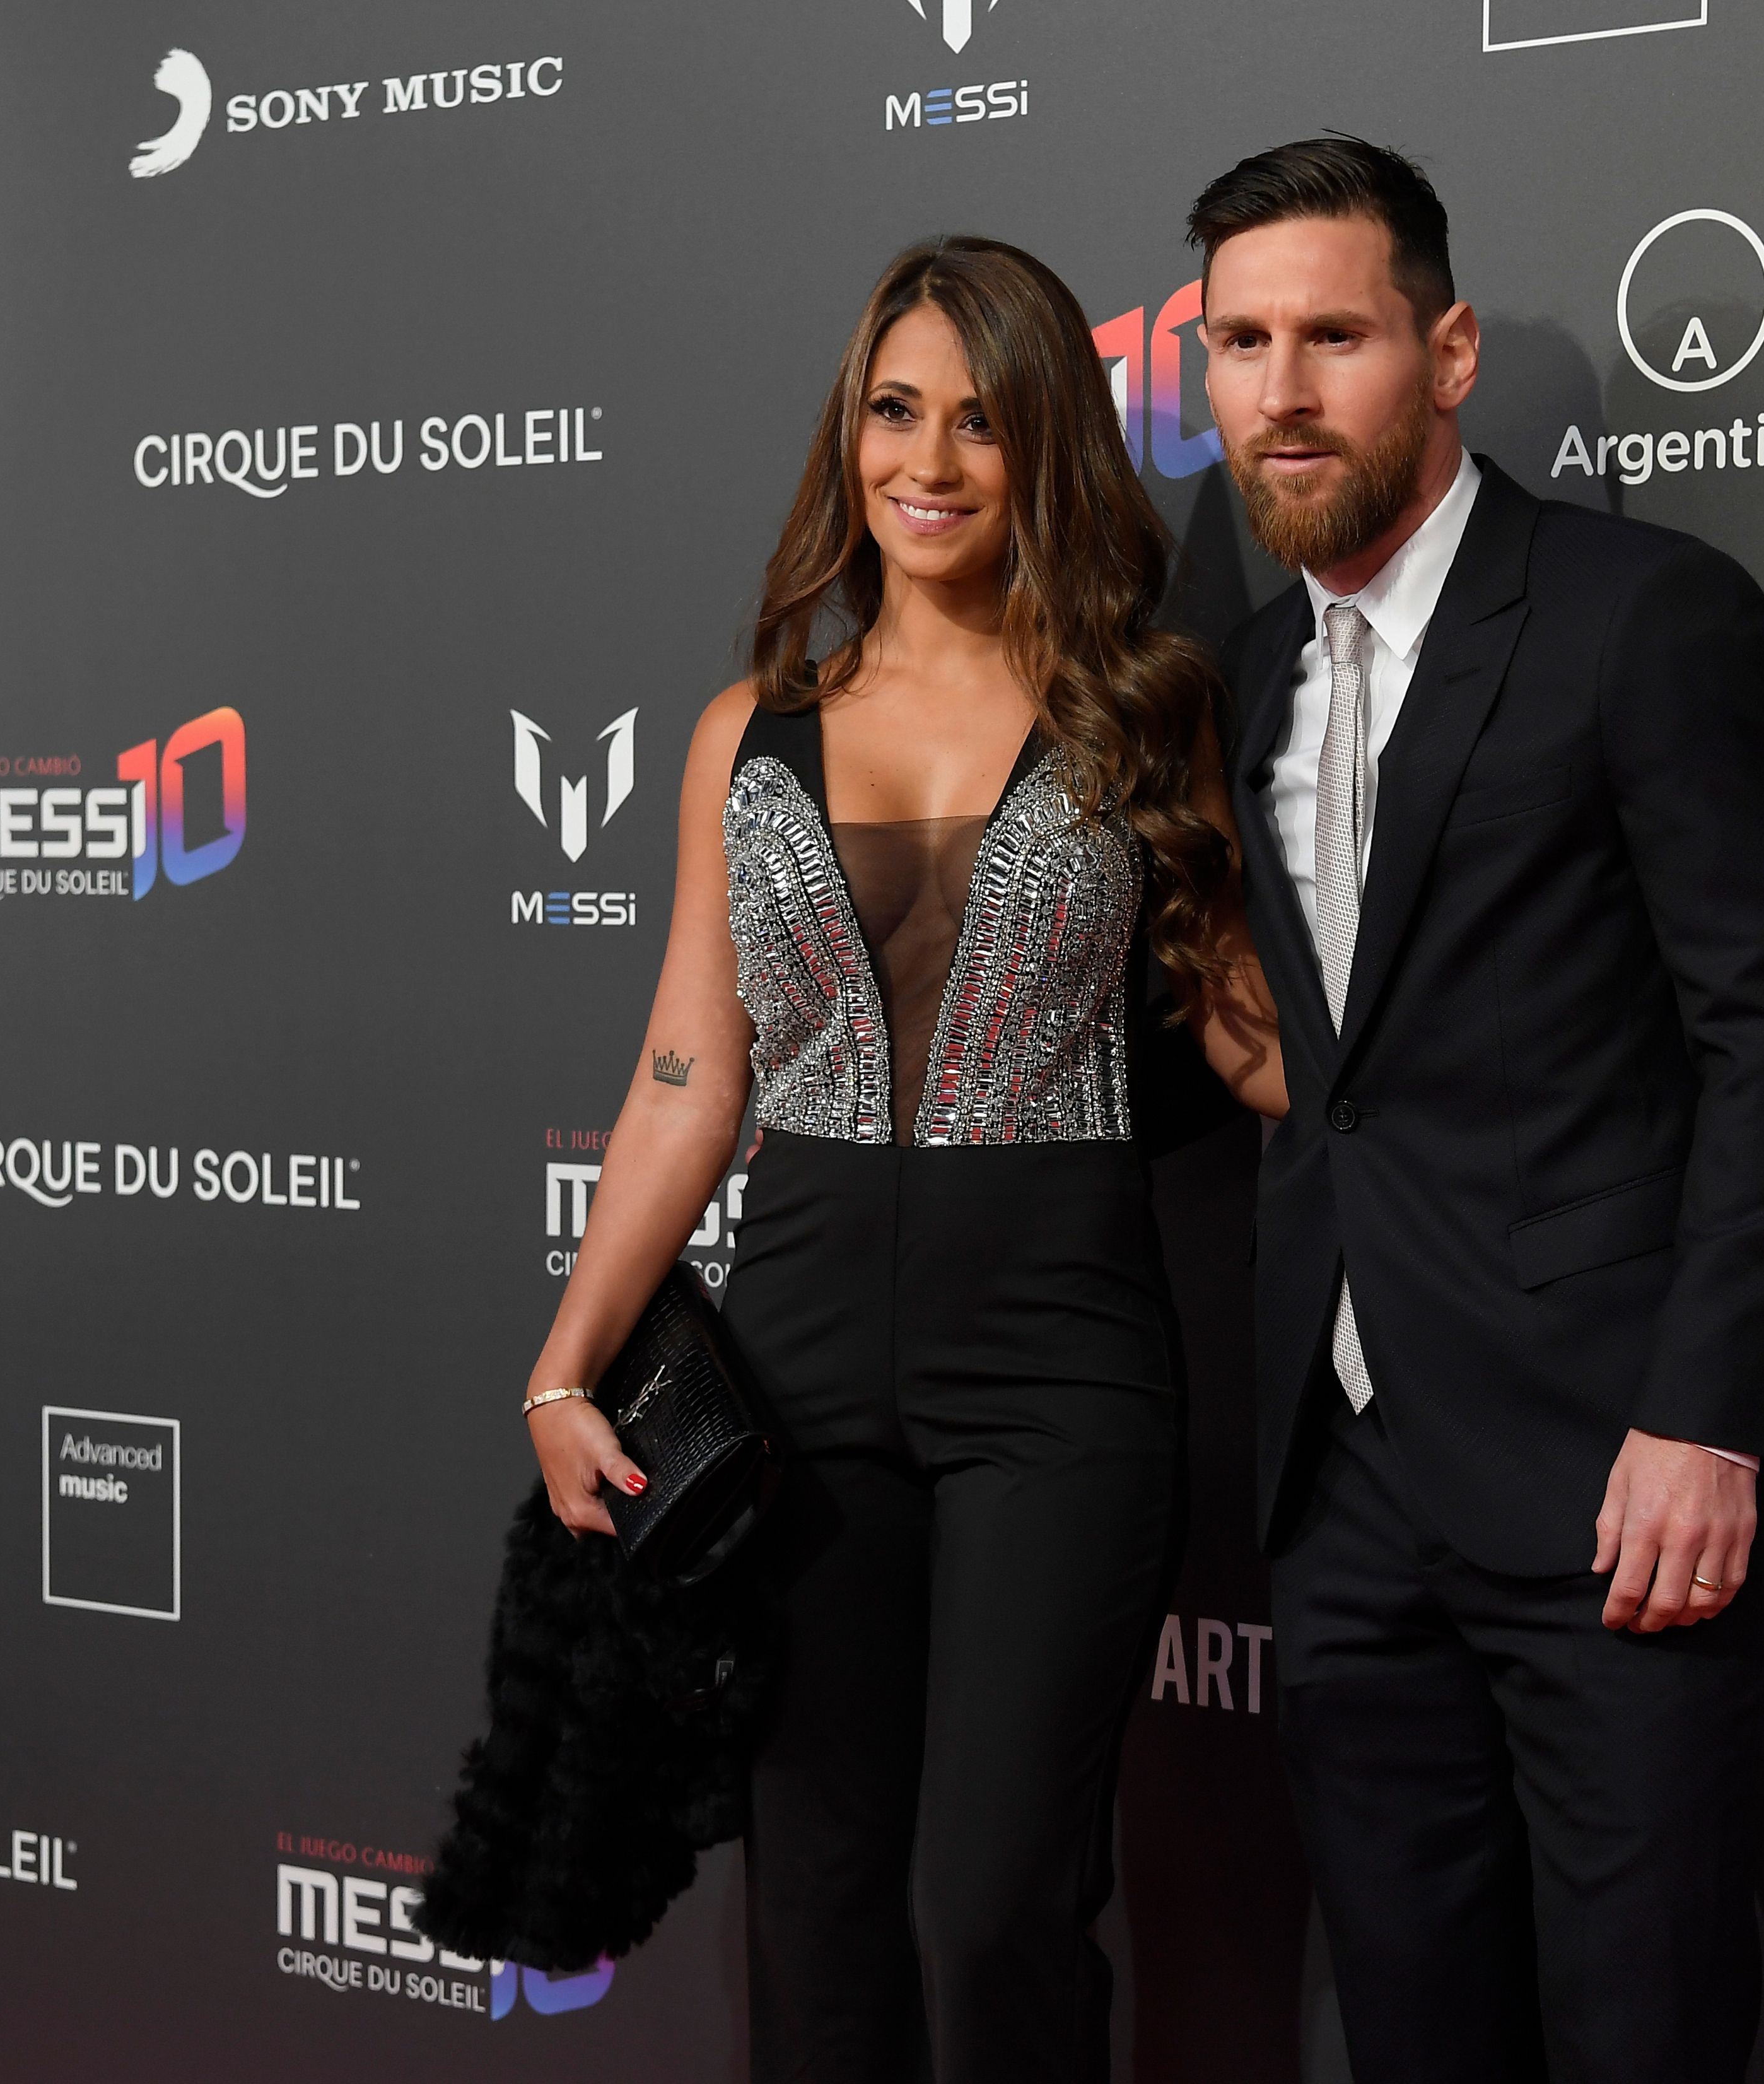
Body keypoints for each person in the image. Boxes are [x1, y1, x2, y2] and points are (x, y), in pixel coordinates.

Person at [515, 235, 1283, 2083]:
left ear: (1050, 452)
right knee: (819, 1904)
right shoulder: (743, 733)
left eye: (982, 422)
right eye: (893, 410)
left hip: (1064, 1372)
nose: (927, 462)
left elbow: (1268, 1050)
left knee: (991, 1904)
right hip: (795, 1372)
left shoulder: (1151, 708)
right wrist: (562, 1367)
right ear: (846, 435)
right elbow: (691, 1079)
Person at [1188, 139, 1764, 2079]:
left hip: (1607, 1481)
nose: (1282, 392)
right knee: (1409, 2027)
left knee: (1642, 2029)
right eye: (1237, 342)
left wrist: (1703, 1418)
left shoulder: (1642, 616)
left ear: (1446, 352)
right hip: (1345, 1485)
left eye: (1334, 335)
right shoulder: (1240, 681)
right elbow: (1325, 1068)